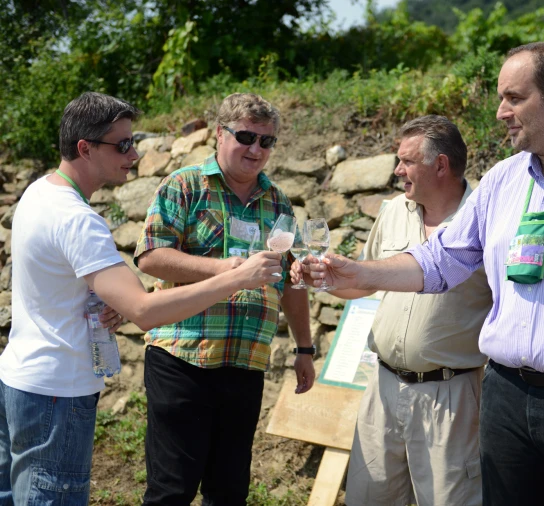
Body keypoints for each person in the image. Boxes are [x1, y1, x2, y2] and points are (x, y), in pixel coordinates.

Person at [294, 42, 544, 506]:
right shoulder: (504, 180)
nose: (501, 111)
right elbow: (439, 261)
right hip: (504, 396)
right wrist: (356, 271)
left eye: (514, 97)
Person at [0, 92, 283, 506]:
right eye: (123, 144)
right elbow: (146, 312)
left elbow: (55, 284)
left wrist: (101, 299)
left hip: (23, 379)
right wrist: (236, 276)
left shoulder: (39, 193)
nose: (134, 154)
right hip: (58, 392)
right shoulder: (79, 221)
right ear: (85, 148)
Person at [134, 92, 315, 506]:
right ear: (219, 133)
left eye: (265, 141)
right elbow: (151, 256)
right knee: (171, 491)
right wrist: (227, 271)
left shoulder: (278, 202)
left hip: (245, 363)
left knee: (229, 493)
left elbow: (293, 281)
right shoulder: (183, 184)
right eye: (246, 136)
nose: (256, 149)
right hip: (182, 357)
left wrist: (305, 347)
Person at [329, 115, 491, 506]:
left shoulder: (486, 215)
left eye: (406, 161)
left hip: (449, 396)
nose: (397, 170)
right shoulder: (392, 211)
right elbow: (363, 280)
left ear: (440, 165)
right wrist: (325, 278)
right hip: (382, 390)